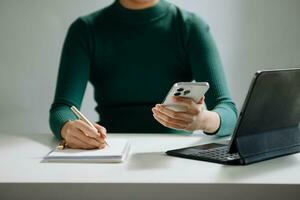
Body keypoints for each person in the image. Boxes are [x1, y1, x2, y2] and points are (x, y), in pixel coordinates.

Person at [49, 0, 238, 149]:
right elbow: (63, 108)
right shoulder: (85, 29)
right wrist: (68, 128)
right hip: (109, 147)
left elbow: (228, 111)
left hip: (175, 152)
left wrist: (203, 120)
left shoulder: (190, 26)